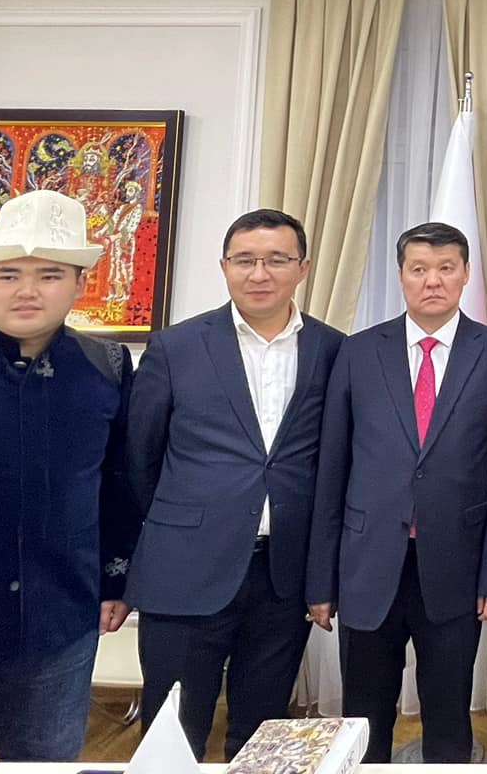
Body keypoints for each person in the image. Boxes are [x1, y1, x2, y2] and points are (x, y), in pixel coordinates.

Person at [0, 189, 141, 760]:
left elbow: (118, 483)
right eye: (9, 274)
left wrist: (115, 581)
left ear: (80, 284)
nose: (27, 291)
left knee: (43, 766)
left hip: (59, 622)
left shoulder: (109, 368)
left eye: (50, 275)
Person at [125, 208, 345, 758]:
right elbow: (139, 459)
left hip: (282, 577)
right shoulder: (176, 346)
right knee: (173, 736)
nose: (259, 273)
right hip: (185, 569)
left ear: (303, 268)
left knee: (262, 736)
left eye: (277, 260)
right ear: (224, 266)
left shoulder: (334, 350)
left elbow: (333, 464)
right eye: (245, 260)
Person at [306, 222, 487, 762]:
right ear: (401, 275)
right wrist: (321, 579)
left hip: (455, 565)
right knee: (363, 718)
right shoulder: (358, 352)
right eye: (420, 269)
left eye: (446, 268)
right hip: (367, 563)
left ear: (465, 274)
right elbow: (332, 471)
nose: (433, 281)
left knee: (448, 717)